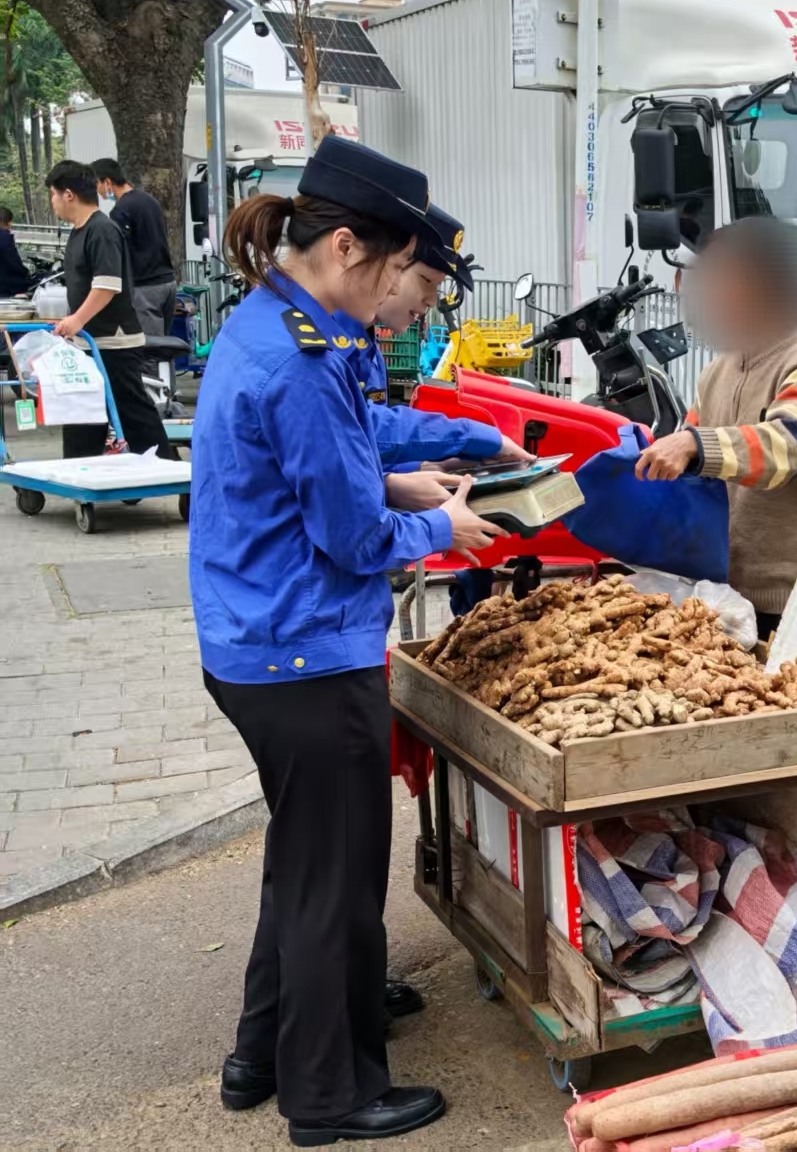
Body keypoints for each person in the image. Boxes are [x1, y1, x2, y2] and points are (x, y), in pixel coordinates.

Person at [190, 134, 504, 1146]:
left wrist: (411, 472)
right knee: (333, 877)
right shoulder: (299, 356)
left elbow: (341, 455)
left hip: (256, 638)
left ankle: (261, 1052)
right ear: (345, 248)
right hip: (304, 649)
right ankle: (329, 1096)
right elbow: (352, 536)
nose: (396, 305)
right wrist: (439, 524)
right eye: (398, 275)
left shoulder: (278, 324)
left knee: (305, 857)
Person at [633, 217, 797, 633]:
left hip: (791, 596)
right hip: (726, 591)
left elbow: (789, 446)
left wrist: (693, 445)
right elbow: (687, 457)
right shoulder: (717, 371)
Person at [334, 204, 531, 511]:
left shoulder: (364, 337)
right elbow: (356, 427)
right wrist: (470, 437)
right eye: (426, 281)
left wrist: (414, 470)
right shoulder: (323, 342)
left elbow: (355, 451)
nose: (431, 301)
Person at [45, 160, 175, 461]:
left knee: (134, 414)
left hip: (114, 341)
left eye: (52, 194)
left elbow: (107, 286)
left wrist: (76, 320)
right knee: (84, 413)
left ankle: (170, 471)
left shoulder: (102, 230)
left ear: (68, 194)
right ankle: (81, 470)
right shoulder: (80, 231)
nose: (52, 202)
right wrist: (72, 321)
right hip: (90, 339)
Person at [92, 158, 177, 336]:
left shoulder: (121, 210)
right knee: (164, 347)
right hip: (168, 283)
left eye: (97, 184)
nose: (97, 191)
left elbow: (118, 252)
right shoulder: (149, 200)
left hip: (146, 288)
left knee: (149, 351)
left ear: (107, 181)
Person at [0, 206, 32, 296]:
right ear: (9, 222)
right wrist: (26, 273)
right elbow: (13, 263)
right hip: (5, 286)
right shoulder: (4, 237)